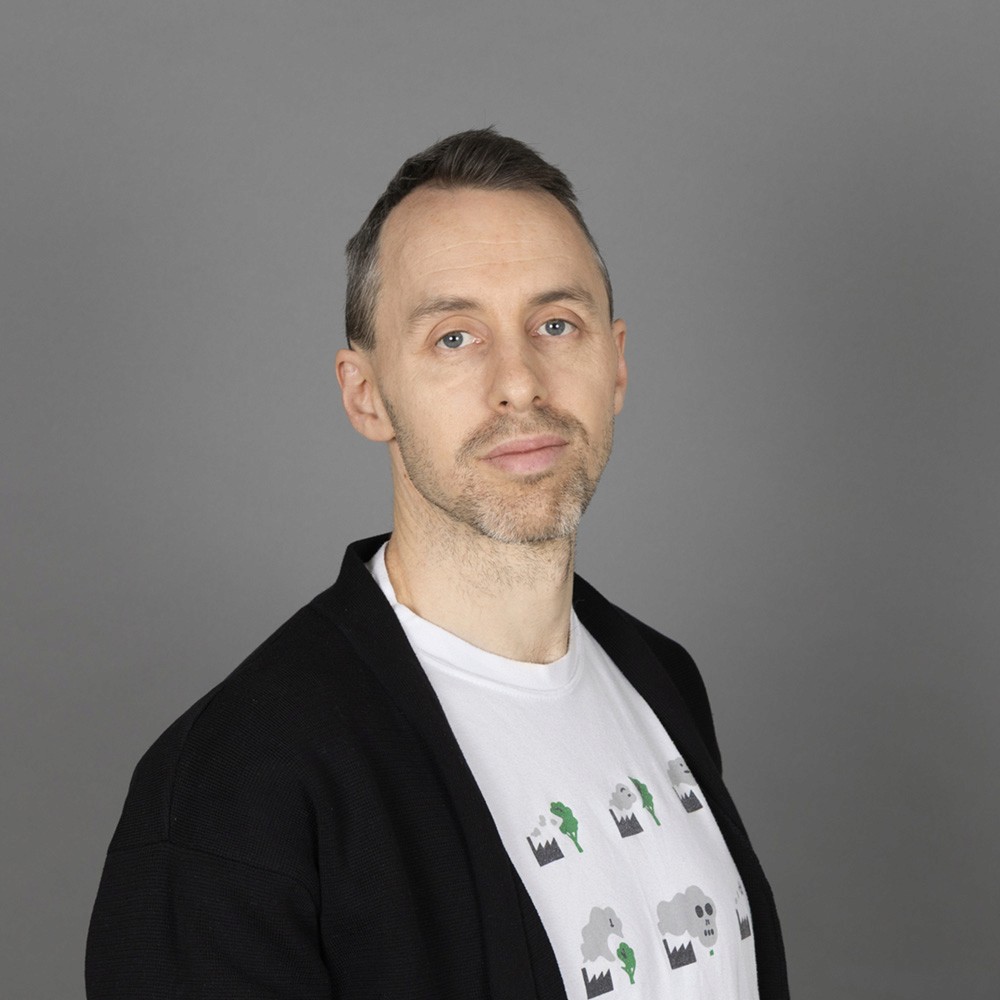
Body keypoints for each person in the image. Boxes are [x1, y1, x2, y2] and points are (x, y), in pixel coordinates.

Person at [86, 128, 788, 999]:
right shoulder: (233, 787)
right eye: (455, 338)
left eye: (556, 324)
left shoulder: (662, 679)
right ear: (366, 394)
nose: (520, 382)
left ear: (616, 364)